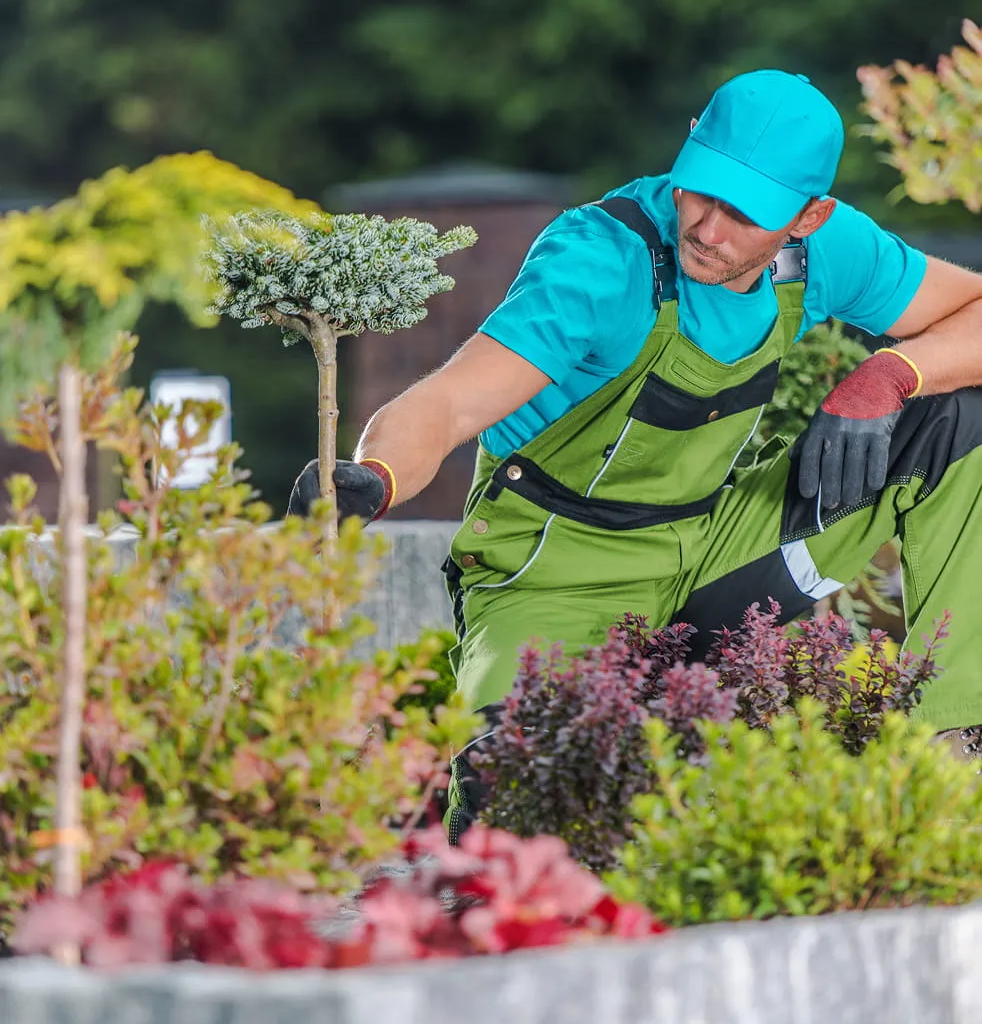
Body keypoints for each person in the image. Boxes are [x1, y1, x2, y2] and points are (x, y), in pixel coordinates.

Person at [289, 69, 982, 835]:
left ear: (808, 217)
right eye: (701, 191)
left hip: (711, 545)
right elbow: (450, 398)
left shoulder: (825, 251)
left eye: (744, 215)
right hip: (556, 571)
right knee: (516, 801)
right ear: (687, 148)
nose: (709, 229)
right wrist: (374, 475)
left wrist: (887, 373)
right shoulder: (602, 259)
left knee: (959, 418)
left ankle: (955, 745)